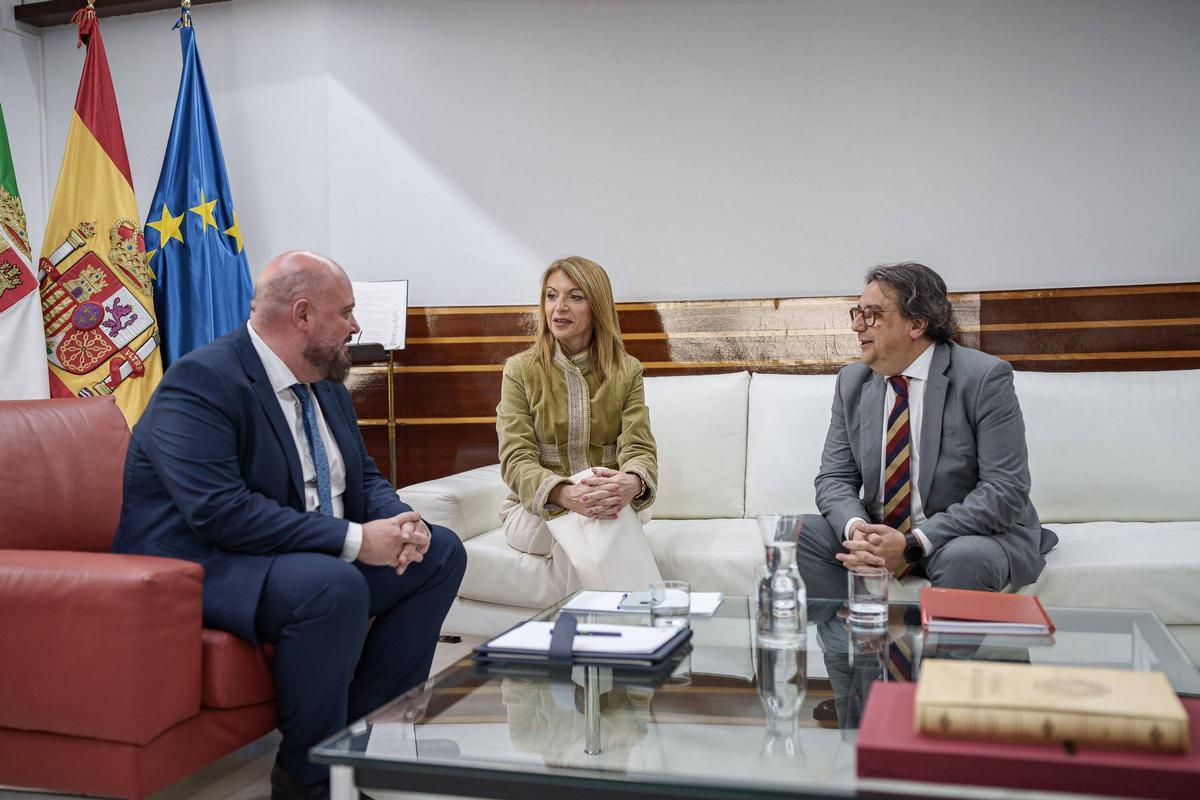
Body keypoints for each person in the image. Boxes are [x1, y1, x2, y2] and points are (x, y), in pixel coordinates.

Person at [112, 251, 467, 800]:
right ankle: (309, 776)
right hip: (200, 562)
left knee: (439, 552)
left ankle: (364, 741)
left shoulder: (323, 380)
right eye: (346, 312)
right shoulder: (203, 381)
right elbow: (221, 511)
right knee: (333, 585)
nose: (356, 325)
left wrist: (399, 520)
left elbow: (361, 475)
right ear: (303, 315)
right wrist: (355, 541)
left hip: (286, 552)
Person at [797, 262, 1056, 600]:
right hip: (882, 532)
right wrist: (859, 531)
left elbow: (1005, 490)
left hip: (960, 536)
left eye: (872, 314)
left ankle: (942, 655)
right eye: (856, 313)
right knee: (798, 534)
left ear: (917, 324)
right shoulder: (853, 382)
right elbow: (834, 478)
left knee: (967, 559)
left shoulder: (983, 378)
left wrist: (911, 543)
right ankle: (851, 648)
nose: (858, 326)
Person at [495, 256, 659, 590]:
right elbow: (516, 459)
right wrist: (566, 494)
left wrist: (630, 483)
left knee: (592, 529)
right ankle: (648, 625)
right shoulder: (521, 370)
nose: (559, 307)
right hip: (534, 512)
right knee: (585, 527)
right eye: (551, 295)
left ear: (597, 306)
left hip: (612, 505)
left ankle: (586, 636)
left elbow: (639, 448)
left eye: (575, 296)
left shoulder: (627, 371)